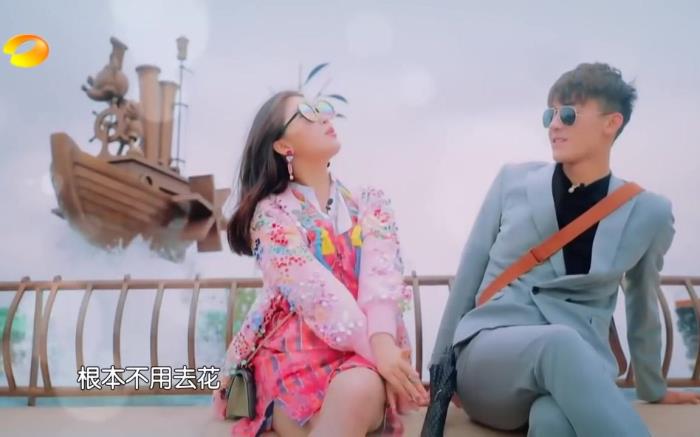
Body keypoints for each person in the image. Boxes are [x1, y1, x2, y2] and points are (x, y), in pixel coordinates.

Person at [429, 62, 700, 437]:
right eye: (550, 114)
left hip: (573, 369)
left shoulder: (648, 212)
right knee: (559, 342)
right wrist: (439, 375)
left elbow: (642, 301)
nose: (555, 125)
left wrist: (653, 387)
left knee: (553, 420)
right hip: (489, 358)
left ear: (612, 123)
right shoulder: (513, 181)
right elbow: (469, 274)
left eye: (568, 114)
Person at [213, 91, 429, 437]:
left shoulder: (369, 201)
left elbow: (383, 277)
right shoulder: (271, 215)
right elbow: (317, 295)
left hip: (367, 349)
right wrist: (382, 356)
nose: (324, 116)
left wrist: (383, 345)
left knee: (357, 391)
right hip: (294, 354)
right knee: (349, 399)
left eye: (322, 108)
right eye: (306, 113)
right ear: (283, 145)